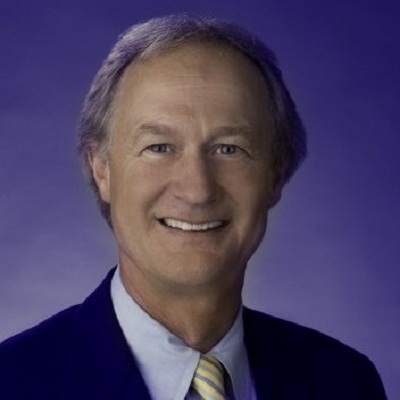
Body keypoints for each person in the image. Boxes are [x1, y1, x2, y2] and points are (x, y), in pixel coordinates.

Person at [0, 14, 387, 400]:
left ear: (275, 175)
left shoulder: (346, 382)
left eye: (229, 149)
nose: (197, 189)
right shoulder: (11, 383)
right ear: (101, 169)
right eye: (159, 147)